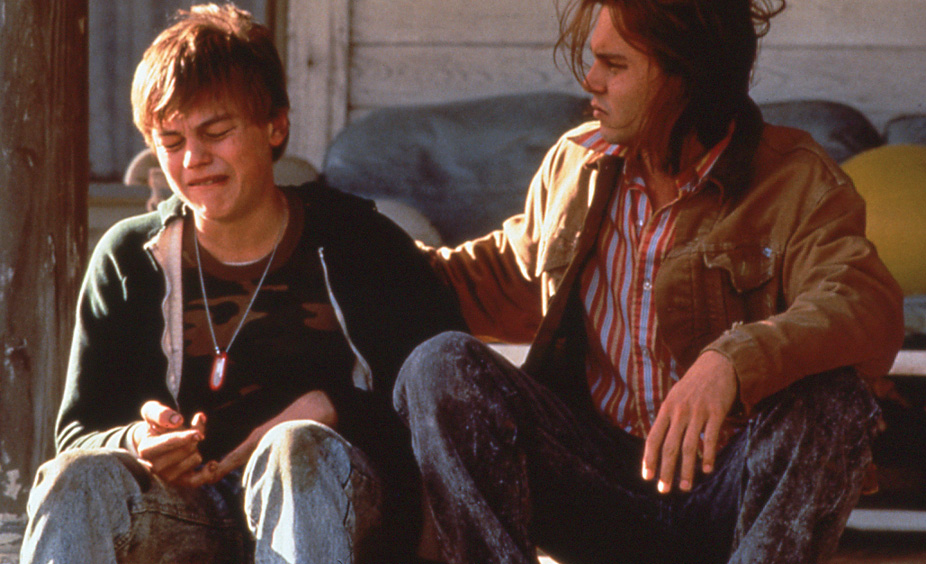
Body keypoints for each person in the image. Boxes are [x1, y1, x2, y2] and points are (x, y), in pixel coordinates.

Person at [393, 1, 906, 563]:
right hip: (595, 486)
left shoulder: (796, 177)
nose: (590, 80)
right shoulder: (577, 164)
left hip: (728, 494)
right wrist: (355, 247)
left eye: (614, 65)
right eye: (595, 60)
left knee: (833, 399)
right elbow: (497, 276)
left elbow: (862, 302)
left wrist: (732, 361)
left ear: (687, 76)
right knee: (438, 364)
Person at [21, 4, 464, 563]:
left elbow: (453, 407)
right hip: (189, 511)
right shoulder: (129, 258)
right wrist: (137, 439)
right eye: (171, 140)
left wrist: (335, 408)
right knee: (76, 477)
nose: (193, 159)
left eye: (217, 132)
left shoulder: (361, 241)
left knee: (295, 448)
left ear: (275, 126)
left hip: (342, 509)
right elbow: (80, 432)